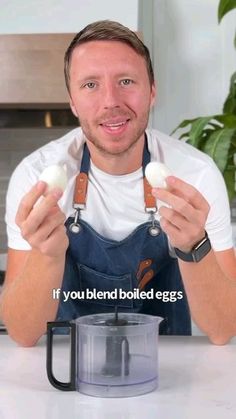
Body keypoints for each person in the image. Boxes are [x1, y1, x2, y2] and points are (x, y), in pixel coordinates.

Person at [0, 20, 236, 347]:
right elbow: (23, 333)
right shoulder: (37, 176)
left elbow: (224, 328)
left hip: (166, 371)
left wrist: (194, 245)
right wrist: (48, 255)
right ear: (72, 100)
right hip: (71, 370)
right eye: (90, 85)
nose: (111, 101)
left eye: (126, 81)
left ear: (152, 90)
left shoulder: (195, 176)